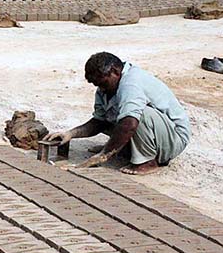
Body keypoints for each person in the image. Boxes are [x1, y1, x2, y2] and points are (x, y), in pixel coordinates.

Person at [45, 52, 191, 175]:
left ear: (115, 71)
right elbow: (99, 121)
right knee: (116, 115)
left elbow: (130, 124)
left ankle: (148, 161)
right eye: (96, 85)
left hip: (173, 139)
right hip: (156, 133)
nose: (100, 89)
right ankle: (127, 149)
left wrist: (104, 155)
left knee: (135, 116)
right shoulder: (106, 88)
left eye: (103, 83)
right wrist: (71, 133)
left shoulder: (131, 83)